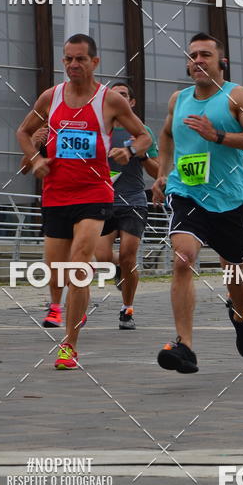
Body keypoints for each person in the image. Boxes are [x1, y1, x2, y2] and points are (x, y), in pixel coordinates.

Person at [16, 33, 152, 369]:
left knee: (79, 265)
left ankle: (69, 345)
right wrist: (35, 159)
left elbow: (144, 135)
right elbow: (22, 132)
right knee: (57, 270)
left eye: (80, 59)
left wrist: (130, 150)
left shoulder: (110, 101)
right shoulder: (52, 97)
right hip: (57, 195)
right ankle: (65, 307)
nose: (74, 65)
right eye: (68, 59)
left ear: (94, 62)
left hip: (95, 194)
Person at [151, 32, 243, 373]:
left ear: (222, 62)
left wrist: (217, 135)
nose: (197, 61)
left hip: (230, 197)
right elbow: (167, 135)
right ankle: (185, 346)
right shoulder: (178, 100)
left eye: (205, 54)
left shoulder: (237, 96)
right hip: (186, 192)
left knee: (234, 268)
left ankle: (240, 315)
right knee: (183, 258)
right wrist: (162, 173)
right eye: (192, 56)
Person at [94, 82, 159, 330]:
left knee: (128, 253)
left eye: (123, 95)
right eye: (113, 95)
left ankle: (127, 309)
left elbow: (156, 170)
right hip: (103, 201)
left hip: (133, 200)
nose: (117, 99)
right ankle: (123, 273)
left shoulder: (143, 132)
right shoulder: (101, 130)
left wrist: (139, 153)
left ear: (131, 102)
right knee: (102, 256)